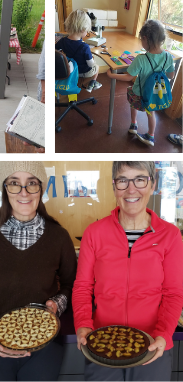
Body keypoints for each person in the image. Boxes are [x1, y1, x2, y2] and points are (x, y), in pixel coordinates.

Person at [0, 161, 78, 380]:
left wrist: (58, 303)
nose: (24, 192)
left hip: (43, 350)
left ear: (41, 188)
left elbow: (71, 285)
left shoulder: (58, 236)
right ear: (5, 188)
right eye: (15, 183)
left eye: (32, 183)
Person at [73, 161, 183, 381]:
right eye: (123, 180)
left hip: (153, 347)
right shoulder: (94, 233)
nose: (131, 189)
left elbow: (173, 293)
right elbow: (83, 287)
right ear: (114, 187)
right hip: (102, 343)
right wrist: (83, 325)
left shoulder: (170, 235)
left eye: (140, 179)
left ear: (152, 185)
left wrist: (162, 335)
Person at [106, 20, 176, 147]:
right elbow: (171, 76)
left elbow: (128, 77)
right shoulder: (168, 57)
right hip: (154, 96)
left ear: (145, 38)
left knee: (133, 103)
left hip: (139, 94)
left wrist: (111, 75)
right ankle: (150, 135)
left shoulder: (141, 59)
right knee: (151, 113)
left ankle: (133, 123)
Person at [57, 10, 102, 93]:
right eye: (87, 31)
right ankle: (92, 83)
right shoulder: (84, 47)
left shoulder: (62, 41)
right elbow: (91, 65)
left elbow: (56, 52)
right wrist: (92, 58)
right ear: (83, 29)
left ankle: (92, 83)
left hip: (68, 69)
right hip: (82, 72)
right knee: (97, 66)